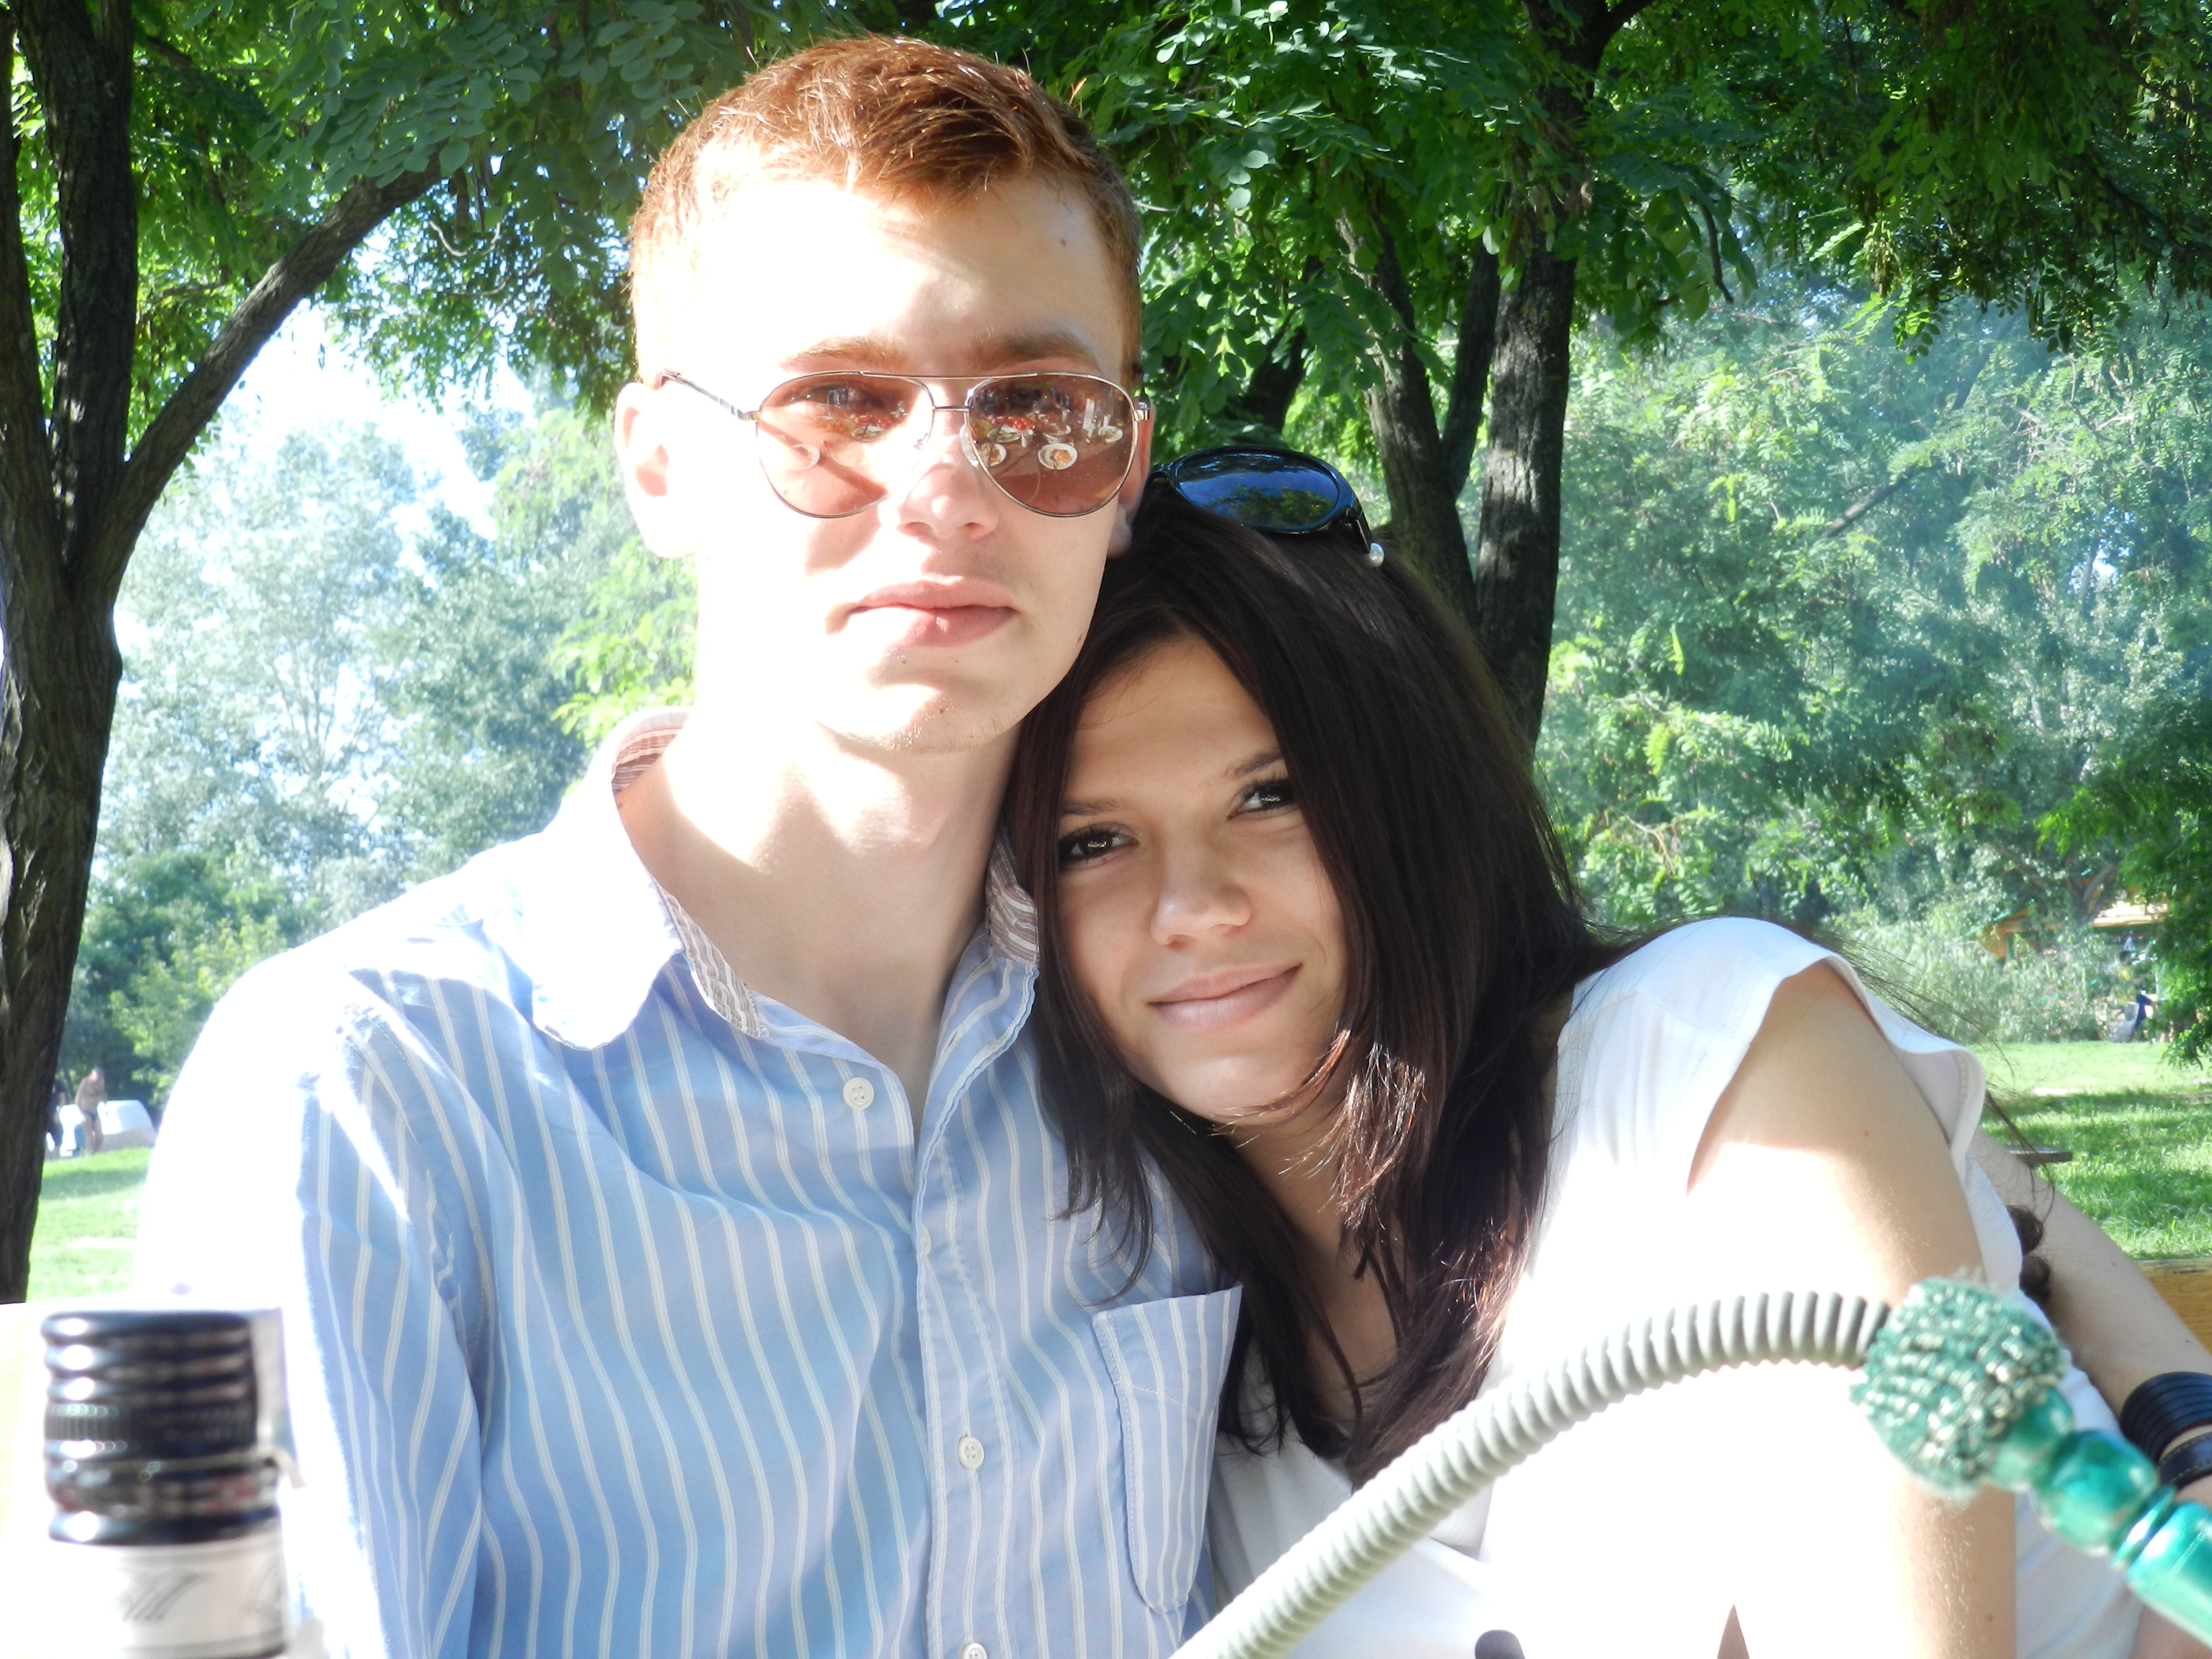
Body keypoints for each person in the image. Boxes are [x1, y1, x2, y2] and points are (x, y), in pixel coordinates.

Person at [133, 39, 1237, 1659]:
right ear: (660, 467)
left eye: (1038, 411)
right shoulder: (368, 1096)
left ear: (1122, 474)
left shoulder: (1181, 1037)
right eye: (837, 404)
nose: (945, 489)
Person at [1006, 471, 2212, 1659]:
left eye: (1269, 796)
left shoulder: (1700, 1065)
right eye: (1090, 841)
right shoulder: (1165, 1360)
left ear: (1412, 801)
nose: (1190, 907)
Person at [73, 1066, 106, 1157]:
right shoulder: (85, 1083)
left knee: (100, 1137)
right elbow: (77, 1099)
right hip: (85, 1111)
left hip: (95, 1112)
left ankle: (94, 1154)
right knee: (89, 1136)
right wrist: (81, 1113)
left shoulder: (101, 1083)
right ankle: (88, 1154)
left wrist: (105, 1106)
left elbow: (103, 1095)